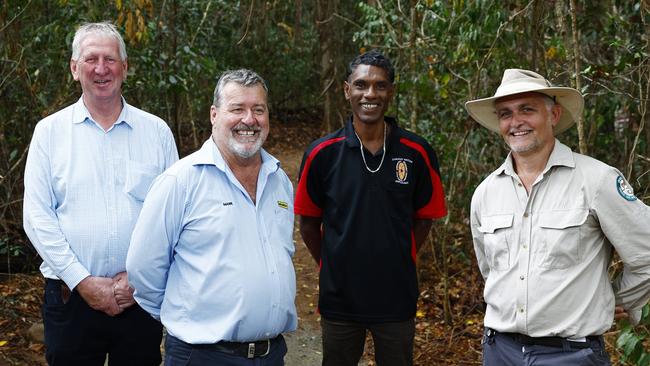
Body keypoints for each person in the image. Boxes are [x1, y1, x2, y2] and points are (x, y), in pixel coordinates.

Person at [465, 69, 650, 365]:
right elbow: (491, 270)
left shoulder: (596, 180)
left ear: (554, 115)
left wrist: (613, 299)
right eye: (505, 114)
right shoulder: (485, 193)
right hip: (500, 351)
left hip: (572, 354)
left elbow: (646, 251)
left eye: (527, 109)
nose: (516, 122)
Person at [22, 22, 178, 365]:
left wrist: (139, 278)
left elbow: (173, 216)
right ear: (75, 69)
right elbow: (36, 217)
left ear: (125, 67)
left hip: (139, 298)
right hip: (69, 297)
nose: (101, 68)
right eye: (91, 59)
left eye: (110, 59)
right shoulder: (49, 133)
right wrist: (83, 281)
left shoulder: (156, 132)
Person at [126, 69, 297, 366]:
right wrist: (186, 320)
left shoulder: (279, 179)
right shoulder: (180, 182)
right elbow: (144, 269)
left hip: (271, 355)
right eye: (237, 109)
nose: (249, 119)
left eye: (259, 109)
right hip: (203, 356)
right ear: (214, 115)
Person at [295, 50, 447, 366]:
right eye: (361, 84)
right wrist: (333, 262)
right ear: (346, 89)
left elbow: (425, 217)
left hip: (396, 297)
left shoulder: (417, 152)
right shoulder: (322, 153)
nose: (370, 94)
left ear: (391, 91)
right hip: (340, 299)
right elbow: (308, 224)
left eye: (380, 86)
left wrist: (400, 255)